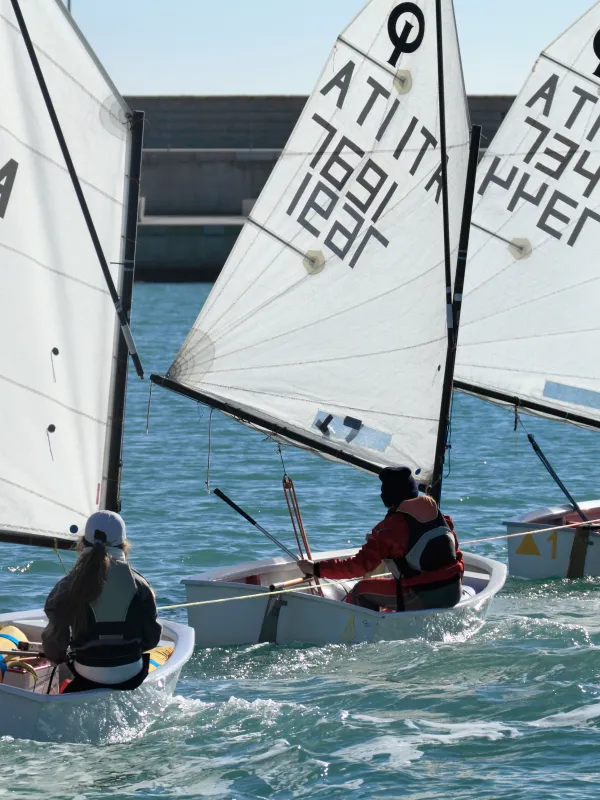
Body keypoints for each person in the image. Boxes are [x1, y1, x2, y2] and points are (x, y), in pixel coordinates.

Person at [299, 467, 464, 612]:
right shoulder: (441, 518)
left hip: (423, 597)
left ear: (387, 497)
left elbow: (358, 567)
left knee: (360, 590)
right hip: (454, 592)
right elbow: (457, 556)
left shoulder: (388, 529)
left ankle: (362, 636)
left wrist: (316, 569)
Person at [42, 510, 162, 693]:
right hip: (131, 673)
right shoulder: (140, 584)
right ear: (124, 545)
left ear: (83, 542)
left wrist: (59, 657)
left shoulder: (66, 586)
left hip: (86, 672)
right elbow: (152, 639)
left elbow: (55, 643)